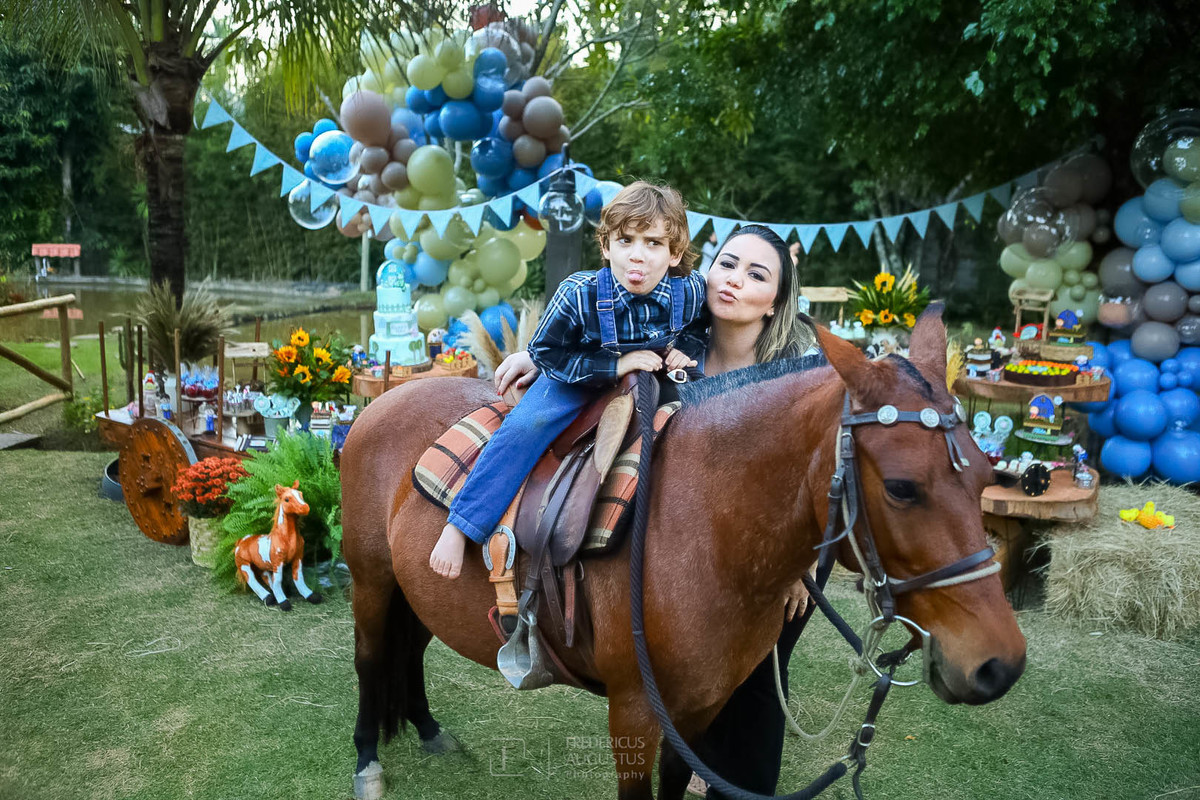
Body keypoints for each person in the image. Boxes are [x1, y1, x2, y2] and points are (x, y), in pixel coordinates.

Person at [494, 224, 815, 799]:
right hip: (690, 547)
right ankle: (693, 754)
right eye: (728, 263)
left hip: (767, 562)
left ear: (775, 303)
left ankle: (740, 785)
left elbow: (808, 486)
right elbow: (607, 335)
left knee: (758, 683)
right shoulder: (682, 331)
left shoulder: (784, 383)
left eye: (756, 274)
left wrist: (798, 566)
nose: (735, 279)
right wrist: (534, 357)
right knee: (683, 660)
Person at [429, 181, 708, 579]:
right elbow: (548, 353)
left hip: (649, 378)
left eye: (653, 243)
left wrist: (689, 348)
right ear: (606, 246)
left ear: (675, 253)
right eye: (626, 240)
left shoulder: (691, 291)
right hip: (576, 376)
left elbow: (701, 326)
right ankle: (462, 524)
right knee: (528, 425)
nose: (637, 256)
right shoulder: (579, 293)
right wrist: (616, 366)